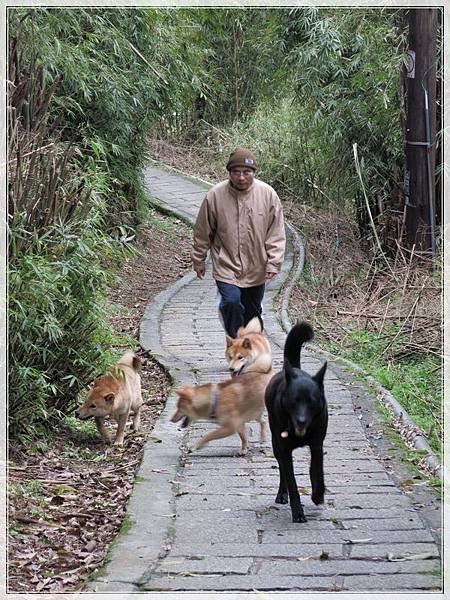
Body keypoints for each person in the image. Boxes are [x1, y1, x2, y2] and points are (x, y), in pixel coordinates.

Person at [191, 147, 286, 338]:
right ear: (229, 173)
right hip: (226, 264)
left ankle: (252, 352)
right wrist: (198, 259)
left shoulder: (267, 195)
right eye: (236, 172)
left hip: (256, 265)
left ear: (254, 173)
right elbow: (203, 231)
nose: (241, 177)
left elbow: (276, 232)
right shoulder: (215, 195)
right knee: (231, 303)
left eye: (246, 172)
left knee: (252, 316)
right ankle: (236, 347)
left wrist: (274, 262)